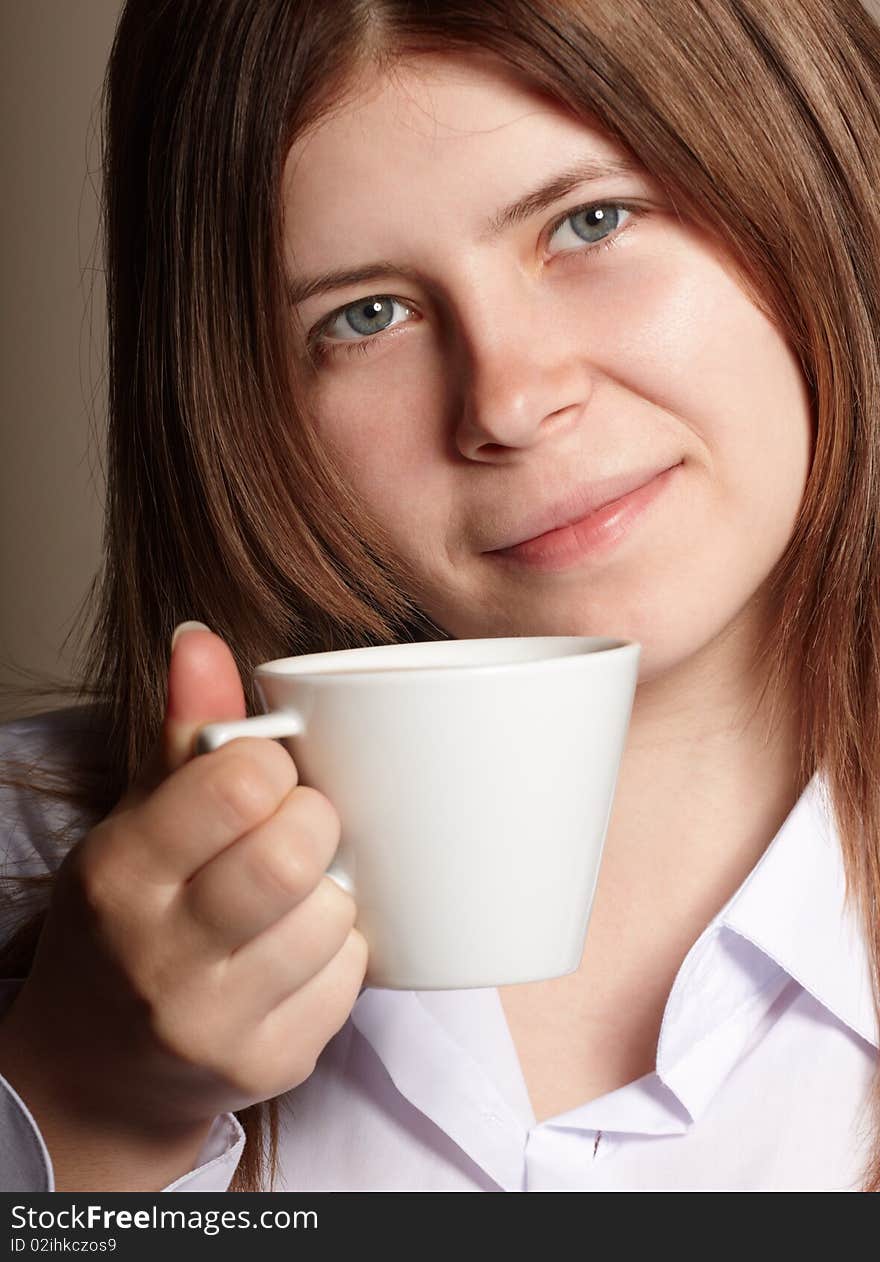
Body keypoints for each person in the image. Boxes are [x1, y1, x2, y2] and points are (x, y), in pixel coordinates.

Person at [1, 0, 879, 1193]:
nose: (508, 401)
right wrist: (87, 1111)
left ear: (820, 180)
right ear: (244, 406)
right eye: (365, 315)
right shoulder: (27, 869)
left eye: (591, 220)